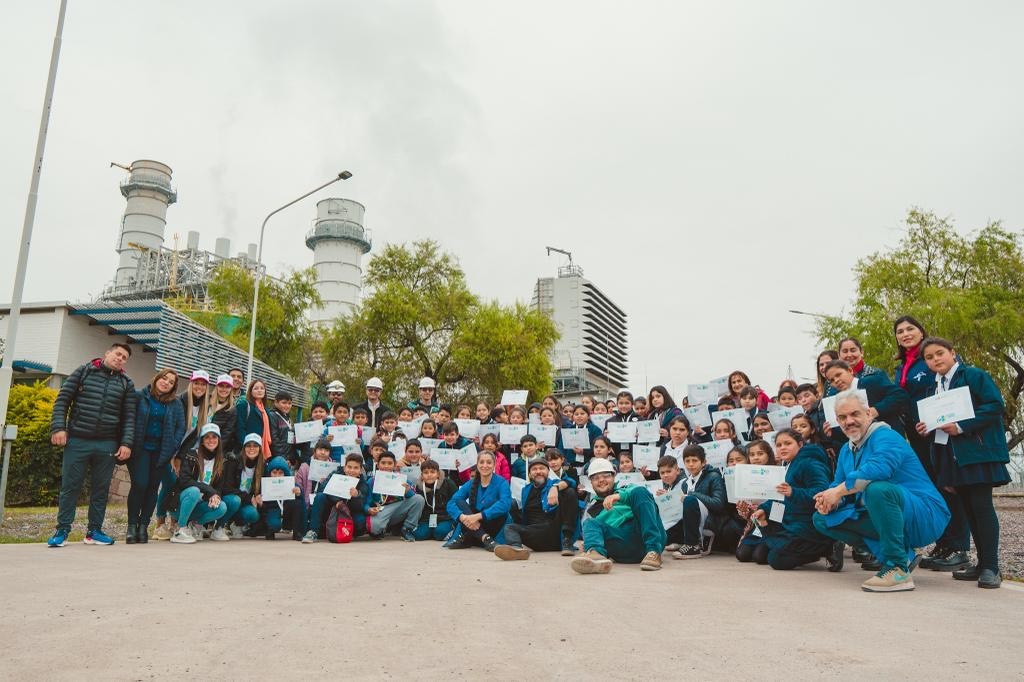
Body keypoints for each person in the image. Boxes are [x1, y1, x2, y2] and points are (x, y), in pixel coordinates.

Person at [812, 390, 950, 592]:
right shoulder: (846, 449)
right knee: (822, 519)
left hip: (924, 514)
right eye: (842, 417)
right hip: (887, 516)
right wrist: (830, 500)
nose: (848, 421)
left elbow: (879, 469)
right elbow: (838, 483)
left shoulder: (886, 435)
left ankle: (897, 568)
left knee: (877, 489)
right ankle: (903, 555)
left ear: (869, 413)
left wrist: (838, 492)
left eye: (854, 414)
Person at [914, 337, 1011, 588]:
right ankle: (980, 564)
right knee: (968, 510)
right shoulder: (934, 388)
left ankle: (992, 567)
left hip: (976, 453)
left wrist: (961, 426)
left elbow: (994, 406)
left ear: (952, 353)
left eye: (940, 354)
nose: (936, 360)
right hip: (952, 456)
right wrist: (927, 427)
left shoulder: (974, 376)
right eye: (929, 357)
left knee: (981, 507)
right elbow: (940, 423)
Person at [892, 318, 970, 572]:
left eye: (910, 329)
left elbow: (953, 390)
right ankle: (944, 543)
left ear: (921, 331)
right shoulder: (903, 366)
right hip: (918, 435)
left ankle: (959, 547)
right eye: (900, 331)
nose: (905, 334)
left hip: (941, 433)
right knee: (934, 487)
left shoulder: (932, 358)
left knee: (949, 486)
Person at [48, 343, 137, 548]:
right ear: (107, 353)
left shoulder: (126, 383)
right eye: (117, 354)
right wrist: (58, 428)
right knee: (70, 486)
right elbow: (62, 401)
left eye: (124, 357)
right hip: (78, 440)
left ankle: (94, 531)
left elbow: (129, 417)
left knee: (101, 488)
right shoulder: (84, 371)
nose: (120, 358)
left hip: (107, 443)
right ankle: (62, 530)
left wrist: (126, 443)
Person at [749, 429, 843, 571]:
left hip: (808, 523)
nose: (783, 447)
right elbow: (779, 495)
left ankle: (827, 547)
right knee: (761, 555)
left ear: (800, 444)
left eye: (787, 443)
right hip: (789, 521)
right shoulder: (787, 465)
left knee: (776, 560)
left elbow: (823, 493)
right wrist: (764, 509)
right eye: (779, 445)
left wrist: (793, 492)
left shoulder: (810, 463)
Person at [572, 458, 665, 573]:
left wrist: (618, 496)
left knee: (640, 492)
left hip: (644, 533)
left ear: (614, 476)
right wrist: (589, 543)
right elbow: (590, 532)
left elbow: (641, 494)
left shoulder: (627, 489)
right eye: (596, 478)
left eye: (606, 476)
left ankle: (654, 551)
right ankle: (595, 556)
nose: (601, 480)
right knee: (590, 523)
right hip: (623, 546)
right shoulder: (591, 510)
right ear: (591, 482)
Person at [125, 369, 185, 544]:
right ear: (157, 378)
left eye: (171, 382)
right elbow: (129, 419)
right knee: (140, 485)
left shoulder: (175, 404)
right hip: (141, 449)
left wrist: (173, 446)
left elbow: (180, 427)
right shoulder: (140, 396)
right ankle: (131, 526)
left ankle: (143, 526)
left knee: (152, 488)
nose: (166, 382)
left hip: (161, 452)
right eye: (164, 378)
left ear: (173, 387)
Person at [494, 454, 579, 560]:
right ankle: (516, 550)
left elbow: (571, 482)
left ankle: (567, 540)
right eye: (534, 469)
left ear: (548, 472)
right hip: (535, 535)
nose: (538, 471)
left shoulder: (554, 483)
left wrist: (555, 488)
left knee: (570, 492)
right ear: (529, 474)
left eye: (542, 468)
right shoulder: (526, 489)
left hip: (554, 532)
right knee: (510, 525)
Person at [167, 423, 229, 544]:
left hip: (198, 508)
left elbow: (219, 489)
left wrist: (215, 496)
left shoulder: (222, 462)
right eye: (207, 437)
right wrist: (210, 491)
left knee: (222, 507)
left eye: (214, 437)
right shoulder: (191, 455)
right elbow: (185, 481)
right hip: (180, 506)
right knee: (194, 491)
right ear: (201, 440)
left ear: (219, 440)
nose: (211, 440)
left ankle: (195, 526)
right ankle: (180, 529)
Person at [445, 450, 512, 551]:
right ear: (477, 464)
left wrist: (477, 516)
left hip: (493, 523)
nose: (485, 465)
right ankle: (485, 538)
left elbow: (505, 504)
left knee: (499, 508)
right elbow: (451, 503)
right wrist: (463, 517)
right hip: (473, 524)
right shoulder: (471, 483)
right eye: (481, 462)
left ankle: (468, 538)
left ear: (494, 465)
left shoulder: (502, 482)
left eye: (489, 462)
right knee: (459, 502)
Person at [824, 360, 911, 436]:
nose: (836, 380)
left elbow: (900, 395)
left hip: (889, 437)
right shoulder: (840, 401)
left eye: (838, 375)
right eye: (832, 380)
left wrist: (877, 410)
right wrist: (833, 432)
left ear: (850, 370)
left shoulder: (871, 381)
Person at [672, 444, 727, 559]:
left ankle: (692, 546)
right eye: (687, 461)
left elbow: (718, 504)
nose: (691, 464)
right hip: (695, 522)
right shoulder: (685, 483)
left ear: (703, 462)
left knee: (690, 500)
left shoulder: (714, 476)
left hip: (711, 521)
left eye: (695, 460)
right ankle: (686, 542)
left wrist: (692, 494)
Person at [304, 453, 369, 542]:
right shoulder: (335, 474)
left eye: (356, 468)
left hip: (349, 512)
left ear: (361, 470)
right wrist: (337, 501)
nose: (352, 470)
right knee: (320, 497)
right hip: (331, 509)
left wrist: (357, 495)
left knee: (360, 521)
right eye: (349, 467)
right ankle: (313, 531)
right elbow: (322, 489)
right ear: (344, 467)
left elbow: (360, 507)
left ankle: (348, 532)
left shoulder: (362, 483)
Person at [365, 452, 425, 541]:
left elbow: (413, 496)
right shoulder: (372, 481)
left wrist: (407, 491)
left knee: (419, 499)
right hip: (381, 511)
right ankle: (384, 528)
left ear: (395, 465)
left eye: (390, 463)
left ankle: (407, 529)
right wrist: (368, 509)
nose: (386, 466)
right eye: (383, 463)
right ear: (378, 465)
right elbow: (365, 501)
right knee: (374, 529)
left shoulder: (400, 478)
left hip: (397, 510)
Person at [412, 459, 459, 541]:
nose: (429, 475)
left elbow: (457, 501)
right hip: (427, 519)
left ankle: (447, 529)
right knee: (419, 535)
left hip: (445, 517)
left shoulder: (448, 483)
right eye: (426, 472)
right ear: (422, 475)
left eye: (432, 472)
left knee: (439, 533)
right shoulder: (418, 487)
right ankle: (431, 531)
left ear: (438, 474)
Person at [236, 379, 273, 459]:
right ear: (250, 391)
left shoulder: (266, 410)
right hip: (248, 450)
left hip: (261, 450)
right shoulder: (244, 405)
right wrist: (247, 446)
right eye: (256, 388)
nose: (259, 390)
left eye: (262, 388)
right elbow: (239, 428)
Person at [209, 374, 240, 455]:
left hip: (214, 450)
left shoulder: (232, 410)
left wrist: (213, 450)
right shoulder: (206, 402)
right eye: (221, 386)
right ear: (217, 387)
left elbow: (226, 434)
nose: (224, 389)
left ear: (231, 389)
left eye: (227, 387)